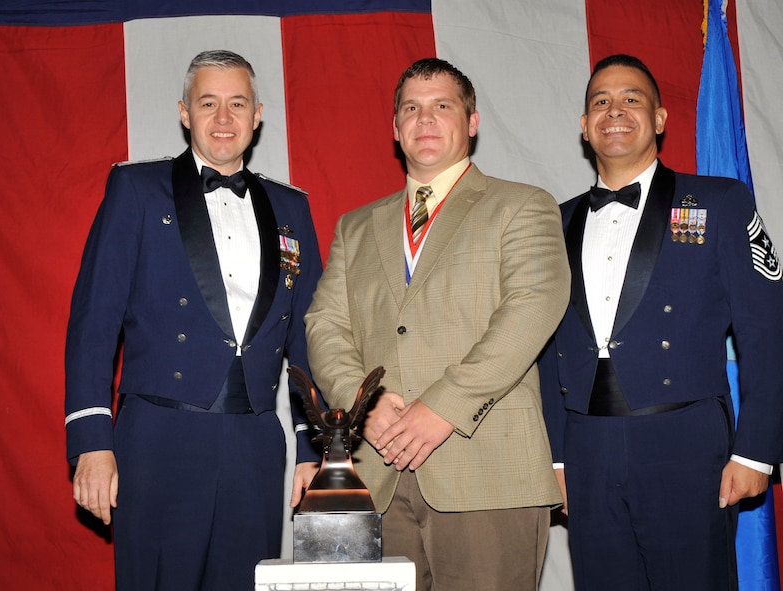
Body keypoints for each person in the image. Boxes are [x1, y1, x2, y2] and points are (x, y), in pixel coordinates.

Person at [304, 57, 570, 591]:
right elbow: (323, 324)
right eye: (411, 109)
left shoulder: (522, 206)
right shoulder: (355, 227)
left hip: (489, 474)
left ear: (471, 122)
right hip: (376, 476)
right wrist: (366, 406)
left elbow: (534, 307)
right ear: (395, 127)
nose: (425, 120)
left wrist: (442, 407)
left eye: (442, 106)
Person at [64, 49, 321, 591]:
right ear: (185, 112)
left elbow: (307, 335)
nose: (223, 119)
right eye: (209, 103)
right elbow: (94, 320)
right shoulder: (135, 190)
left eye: (236, 104)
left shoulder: (292, 207)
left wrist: (312, 446)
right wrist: (92, 440)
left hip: (254, 440)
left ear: (258, 115)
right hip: (159, 436)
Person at [539, 54, 783, 590]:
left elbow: (767, 333)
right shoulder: (554, 221)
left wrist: (756, 450)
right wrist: (555, 459)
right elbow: (547, 348)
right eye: (600, 102)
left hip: (685, 442)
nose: (615, 110)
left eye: (632, 99)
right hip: (587, 447)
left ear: (660, 118)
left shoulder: (719, 202)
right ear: (584, 125)